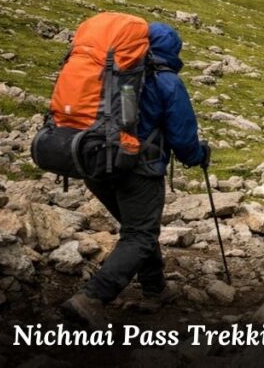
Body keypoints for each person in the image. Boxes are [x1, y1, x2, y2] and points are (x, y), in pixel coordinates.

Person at [61, 23, 210, 328]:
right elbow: (182, 138)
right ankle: (91, 297)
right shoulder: (166, 80)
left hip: (93, 160)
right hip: (137, 167)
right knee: (140, 234)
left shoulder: (108, 70)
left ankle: (155, 289)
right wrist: (197, 156)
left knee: (138, 228)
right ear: (172, 50)